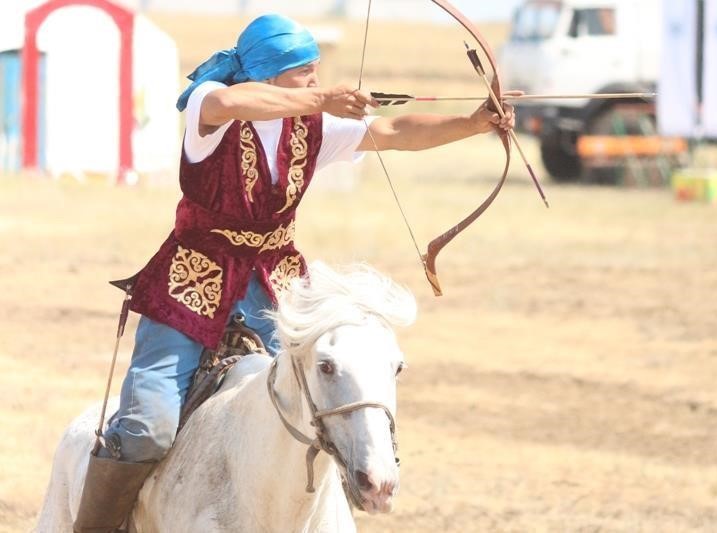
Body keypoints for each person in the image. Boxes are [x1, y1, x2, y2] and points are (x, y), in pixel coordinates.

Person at [73, 13, 517, 532]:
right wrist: (322, 99)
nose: (314, 80)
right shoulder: (210, 103)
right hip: (190, 283)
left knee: (321, 402)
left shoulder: (310, 126)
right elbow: (232, 103)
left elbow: (392, 130)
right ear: (267, 73)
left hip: (277, 288)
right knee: (147, 428)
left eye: (315, 71)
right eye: (303, 71)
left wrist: (473, 123)